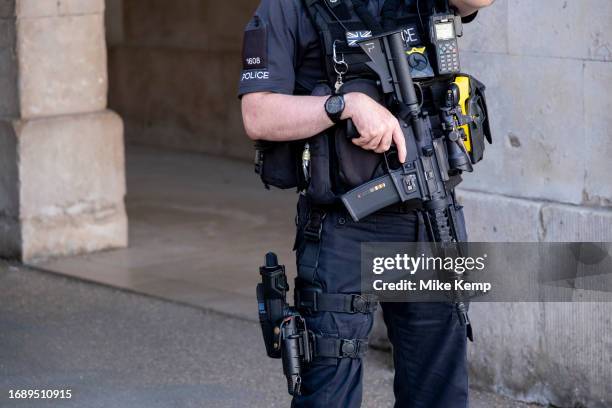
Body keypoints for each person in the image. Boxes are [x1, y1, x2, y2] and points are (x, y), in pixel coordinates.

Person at [239, 0, 494, 406]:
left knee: (438, 392)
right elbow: (258, 114)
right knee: (329, 392)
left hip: (431, 217)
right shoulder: (286, 7)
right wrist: (343, 106)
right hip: (343, 227)